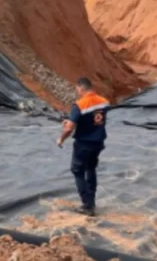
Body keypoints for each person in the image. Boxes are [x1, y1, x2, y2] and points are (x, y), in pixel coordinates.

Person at [56, 76, 110, 216]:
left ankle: (87, 205)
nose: (77, 92)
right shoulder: (104, 102)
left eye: (77, 89)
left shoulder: (79, 105)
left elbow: (69, 129)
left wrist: (61, 139)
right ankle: (91, 200)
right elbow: (93, 118)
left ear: (81, 87)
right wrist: (71, 121)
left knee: (77, 170)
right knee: (91, 169)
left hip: (83, 143)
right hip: (98, 142)